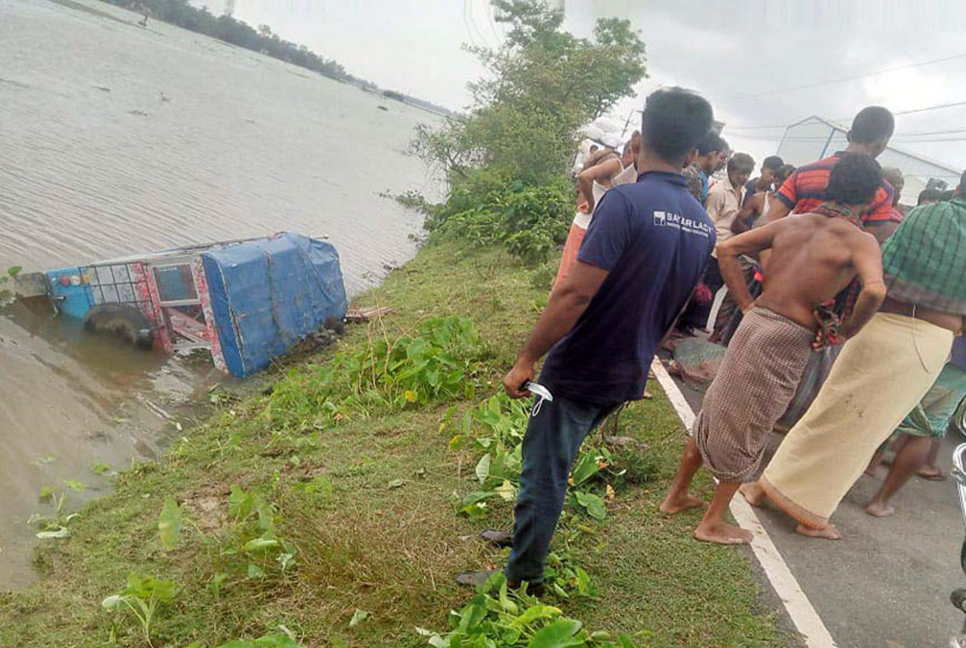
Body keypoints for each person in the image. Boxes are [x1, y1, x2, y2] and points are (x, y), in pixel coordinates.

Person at [458, 88, 716, 590]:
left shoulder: (624, 202)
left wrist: (527, 357)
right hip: (626, 368)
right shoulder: (704, 226)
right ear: (692, 155)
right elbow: (678, 307)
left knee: (544, 470)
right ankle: (521, 536)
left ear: (637, 141)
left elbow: (574, 292)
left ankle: (523, 576)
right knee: (552, 459)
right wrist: (641, 360)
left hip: (580, 365)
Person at [660, 154, 886, 545]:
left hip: (755, 322)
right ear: (870, 197)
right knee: (753, 423)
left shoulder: (793, 223)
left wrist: (748, 303)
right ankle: (713, 521)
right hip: (787, 336)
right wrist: (846, 331)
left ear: (831, 187)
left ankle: (677, 495)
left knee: (716, 408)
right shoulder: (860, 240)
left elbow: (726, 247)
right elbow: (875, 289)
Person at [742, 170, 966, 539]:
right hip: (927, 340)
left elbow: (881, 267)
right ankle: (812, 515)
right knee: (868, 429)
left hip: (877, 326)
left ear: (958, 187)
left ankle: (763, 487)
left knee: (826, 408)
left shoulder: (926, 214)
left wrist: (845, 326)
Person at [766, 106, 896, 431]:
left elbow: (767, 225)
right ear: (882, 143)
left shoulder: (805, 172)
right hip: (827, 301)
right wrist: (844, 324)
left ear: (850, 133)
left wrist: (770, 277)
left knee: (756, 360)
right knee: (797, 381)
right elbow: (872, 247)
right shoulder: (880, 190)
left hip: (776, 284)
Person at [865, 336, 966, 517]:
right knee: (926, 429)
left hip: (935, 342)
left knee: (895, 408)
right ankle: (880, 501)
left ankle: (869, 464)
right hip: (961, 367)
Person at [555, 136, 639, 291]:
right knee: (568, 276)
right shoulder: (615, 164)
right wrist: (591, 202)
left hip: (596, 230)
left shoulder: (627, 174)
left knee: (581, 280)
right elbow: (584, 177)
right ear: (630, 151)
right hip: (585, 226)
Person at [705, 153, 755, 340]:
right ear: (730, 171)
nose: (744, 177)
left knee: (714, 288)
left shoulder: (741, 192)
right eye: (741, 173)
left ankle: (695, 323)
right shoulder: (718, 191)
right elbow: (709, 221)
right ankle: (686, 324)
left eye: (747, 174)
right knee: (704, 288)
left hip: (728, 249)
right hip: (714, 248)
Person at [684, 132, 729, 206]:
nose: (722, 162)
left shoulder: (685, 169)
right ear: (712, 154)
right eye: (720, 157)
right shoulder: (693, 177)